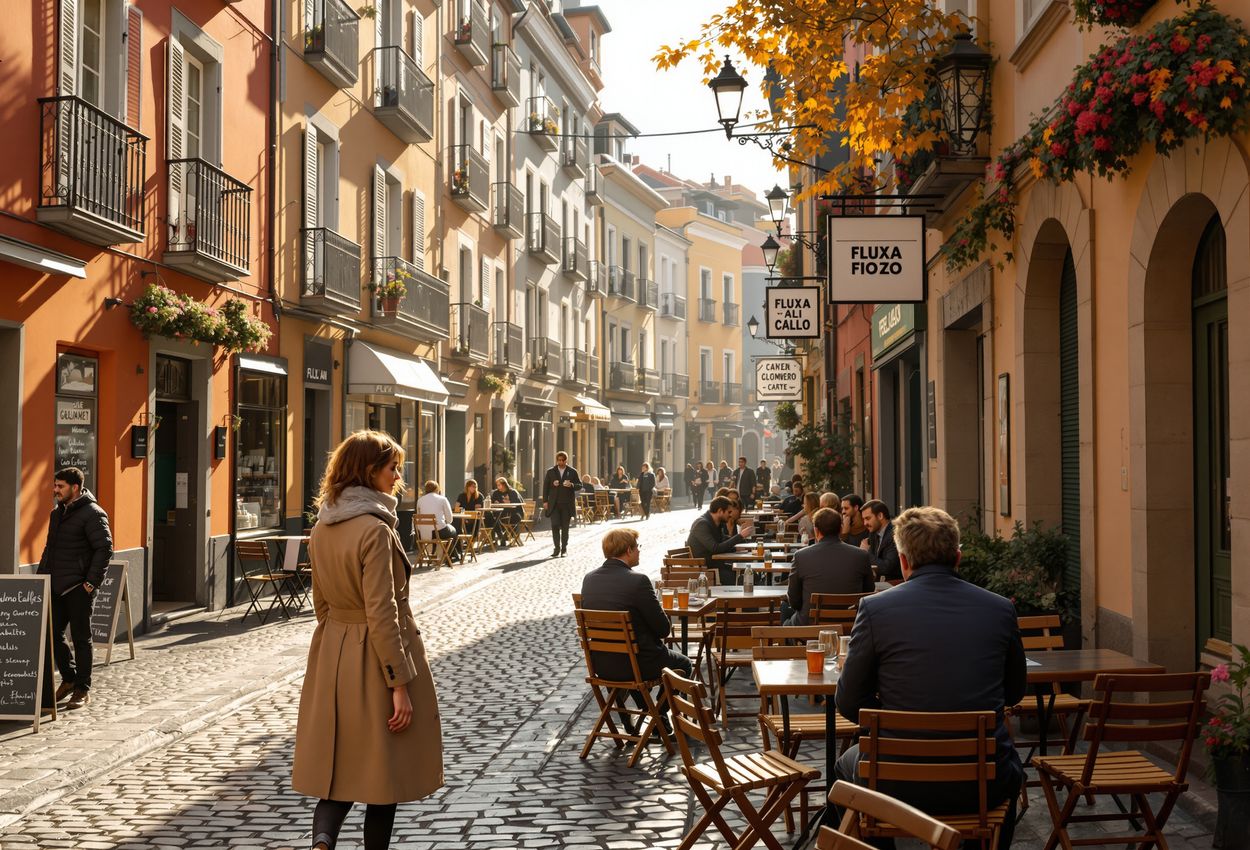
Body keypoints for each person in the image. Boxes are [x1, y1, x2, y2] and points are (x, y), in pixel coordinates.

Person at [834, 506, 1025, 848]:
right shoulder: (999, 608)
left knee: (844, 769)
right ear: (958, 557)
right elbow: (1014, 691)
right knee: (1012, 771)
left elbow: (848, 701)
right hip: (981, 778)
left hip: (894, 779)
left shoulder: (876, 609)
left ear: (904, 562)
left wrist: (888, 720)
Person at [293, 431, 443, 850]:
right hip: (377, 660)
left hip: (334, 654)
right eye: (392, 467)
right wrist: (398, 684)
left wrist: (336, 644)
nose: (398, 476)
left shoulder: (323, 526)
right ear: (368, 470)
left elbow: (320, 602)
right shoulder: (374, 530)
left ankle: (322, 841)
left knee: (339, 767)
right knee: (383, 773)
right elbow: (383, 612)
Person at [580, 528, 693, 726]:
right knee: (683, 664)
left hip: (602, 663)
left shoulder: (589, 579)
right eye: (637, 547)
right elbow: (663, 629)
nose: (640, 551)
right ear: (629, 550)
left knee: (632, 656)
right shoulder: (638, 581)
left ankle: (650, 715)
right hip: (637, 664)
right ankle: (659, 715)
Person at [38, 466, 112, 709]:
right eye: (55, 485)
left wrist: (91, 584)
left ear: (75, 488)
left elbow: (104, 549)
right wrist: (41, 579)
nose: (55, 490)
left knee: (81, 638)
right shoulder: (56, 513)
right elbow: (50, 549)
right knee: (52, 634)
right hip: (56, 586)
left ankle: (82, 689)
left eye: (60, 486)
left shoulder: (93, 513)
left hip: (79, 588)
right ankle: (69, 679)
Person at [783, 508, 874, 625]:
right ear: (841, 529)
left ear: (816, 530)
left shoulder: (801, 556)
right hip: (851, 624)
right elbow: (868, 591)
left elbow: (794, 601)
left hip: (810, 626)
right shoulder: (861, 555)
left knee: (785, 613)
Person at [686, 496, 752, 585]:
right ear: (720, 511)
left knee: (750, 574)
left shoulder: (717, 523)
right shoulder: (702, 524)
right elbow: (715, 548)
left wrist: (739, 547)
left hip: (717, 565)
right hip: (705, 570)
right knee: (743, 577)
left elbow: (723, 541)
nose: (730, 515)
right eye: (729, 512)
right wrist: (740, 536)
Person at [543, 451, 581, 558]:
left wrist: (571, 484)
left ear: (566, 460)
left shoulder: (572, 471)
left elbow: (579, 485)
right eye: (558, 460)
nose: (560, 462)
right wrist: (545, 501)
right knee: (555, 525)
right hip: (554, 504)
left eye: (562, 460)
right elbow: (545, 487)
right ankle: (556, 548)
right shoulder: (551, 472)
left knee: (565, 528)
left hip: (567, 505)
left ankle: (564, 549)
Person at [416, 480, 459, 562]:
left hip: (423, 534)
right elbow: (450, 519)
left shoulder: (420, 500)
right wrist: (445, 522)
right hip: (439, 532)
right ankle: (449, 556)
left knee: (443, 530)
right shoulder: (442, 499)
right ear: (437, 489)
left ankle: (442, 555)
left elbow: (418, 517)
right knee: (454, 531)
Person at [861, 499, 902, 581]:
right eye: (864, 519)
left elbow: (886, 568)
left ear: (880, 516)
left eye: (868, 518)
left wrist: (866, 552)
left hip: (894, 584)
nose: (865, 523)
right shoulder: (873, 532)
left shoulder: (895, 534)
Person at [491, 477, 523, 547]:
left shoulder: (512, 492)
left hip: (514, 513)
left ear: (504, 484)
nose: (498, 487)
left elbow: (518, 504)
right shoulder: (496, 493)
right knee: (492, 519)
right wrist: (495, 502)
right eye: (497, 485)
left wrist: (508, 502)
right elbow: (493, 501)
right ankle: (500, 536)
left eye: (499, 485)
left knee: (497, 519)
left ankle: (502, 537)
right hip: (500, 513)